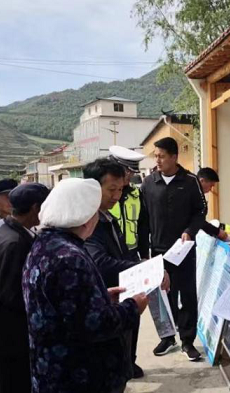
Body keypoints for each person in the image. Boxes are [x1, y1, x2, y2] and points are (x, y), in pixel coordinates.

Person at [22, 178, 148, 393]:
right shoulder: (69, 258)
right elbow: (94, 325)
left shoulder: (45, 245)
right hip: (78, 376)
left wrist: (100, 296)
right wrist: (132, 307)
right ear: (85, 218)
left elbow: (64, 304)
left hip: (52, 370)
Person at [83, 157, 169, 379]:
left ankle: (129, 362)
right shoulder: (86, 222)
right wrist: (146, 268)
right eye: (111, 190)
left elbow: (131, 240)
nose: (116, 196)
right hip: (105, 293)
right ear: (93, 188)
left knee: (129, 328)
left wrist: (143, 263)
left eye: (120, 189)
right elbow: (100, 262)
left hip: (123, 282)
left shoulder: (107, 216)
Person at [0, 182, 49, 393]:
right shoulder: (14, 242)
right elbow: (13, 295)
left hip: (6, 338)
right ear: (35, 208)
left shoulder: (13, 230)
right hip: (8, 340)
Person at [141, 137, 206, 361]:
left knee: (187, 295)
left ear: (174, 157)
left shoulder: (190, 181)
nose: (157, 160)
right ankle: (167, 337)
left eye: (161, 156)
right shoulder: (149, 183)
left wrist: (190, 230)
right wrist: (144, 252)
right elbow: (143, 220)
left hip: (184, 249)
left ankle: (187, 341)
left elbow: (201, 211)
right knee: (162, 296)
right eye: (156, 156)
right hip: (158, 250)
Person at [108, 146, 150, 261]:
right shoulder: (101, 193)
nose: (129, 175)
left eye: (132, 172)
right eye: (127, 171)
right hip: (109, 255)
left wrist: (145, 255)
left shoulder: (136, 194)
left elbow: (142, 227)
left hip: (132, 255)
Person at [197, 167, 228, 241]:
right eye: (211, 185)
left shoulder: (199, 195)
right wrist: (217, 232)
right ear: (202, 181)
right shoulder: (191, 195)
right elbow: (198, 220)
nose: (211, 189)